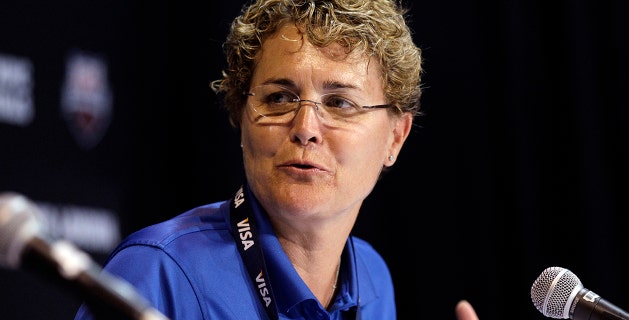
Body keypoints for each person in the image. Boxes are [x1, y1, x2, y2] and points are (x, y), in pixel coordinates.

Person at [75, 0, 480, 319]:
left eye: (339, 103)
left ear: (395, 137)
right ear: (241, 115)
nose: (305, 127)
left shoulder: (373, 280)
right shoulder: (158, 274)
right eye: (279, 98)